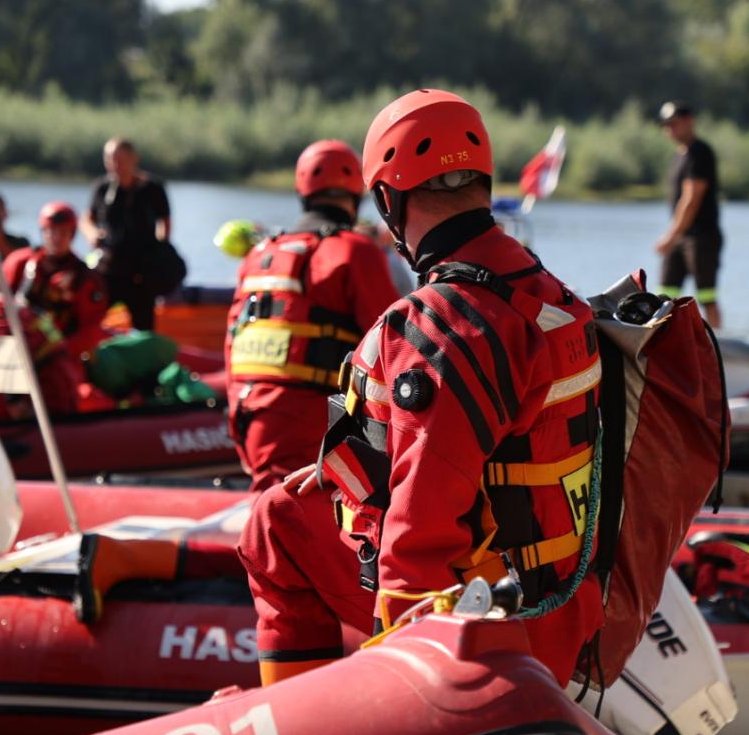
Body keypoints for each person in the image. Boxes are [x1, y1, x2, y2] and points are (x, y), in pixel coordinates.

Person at [239, 89, 604, 689]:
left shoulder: (441, 330)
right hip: (562, 602)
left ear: (386, 198)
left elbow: (418, 540)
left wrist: (406, 682)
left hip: (486, 626)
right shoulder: (549, 293)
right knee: (288, 507)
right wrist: (343, 468)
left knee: (272, 527)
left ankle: (298, 733)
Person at [224, 139, 400, 492]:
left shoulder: (260, 254)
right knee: (296, 526)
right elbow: (395, 347)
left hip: (249, 417)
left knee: (273, 511)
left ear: (302, 191)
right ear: (356, 195)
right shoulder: (355, 252)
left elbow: (232, 343)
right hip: (310, 425)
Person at [0, 201, 109, 359]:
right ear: (42, 232)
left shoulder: (86, 278)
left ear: (72, 235)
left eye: (63, 232)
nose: (56, 237)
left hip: (58, 356)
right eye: (51, 231)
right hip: (17, 348)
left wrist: (56, 352)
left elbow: (90, 330)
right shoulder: (20, 262)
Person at [79, 137, 185, 330]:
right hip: (109, 269)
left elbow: (165, 222)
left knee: (144, 324)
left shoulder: (153, 188)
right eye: (110, 160)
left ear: (134, 159)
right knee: (92, 318)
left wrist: (160, 251)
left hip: (140, 274)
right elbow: (87, 219)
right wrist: (92, 234)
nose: (114, 165)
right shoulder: (102, 188)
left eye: (119, 159)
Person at [656, 101, 723, 330]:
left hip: (701, 237)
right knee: (665, 295)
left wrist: (670, 235)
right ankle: (662, 347)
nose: (670, 129)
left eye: (674, 123)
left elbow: (691, 199)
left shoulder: (699, 153)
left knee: (707, 296)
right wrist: (675, 236)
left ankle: (718, 348)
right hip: (681, 236)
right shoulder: (680, 155)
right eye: (666, 125)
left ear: (689, 121)